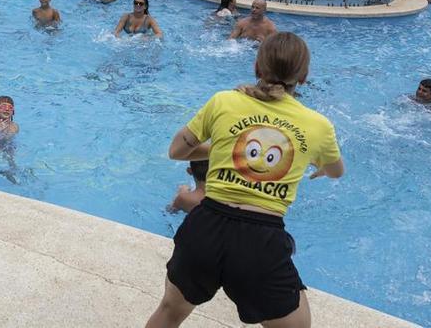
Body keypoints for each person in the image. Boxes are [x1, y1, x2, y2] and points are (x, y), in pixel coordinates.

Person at [146, 32, 344, 328]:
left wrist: (229, 145)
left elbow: (177, 151)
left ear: (256, 67)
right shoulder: (318, 126)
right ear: (303, 77)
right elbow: (336, 170)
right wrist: (322, 168)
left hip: (205, 227)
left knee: (170, 311)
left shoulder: (224, 101)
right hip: (260, 242)